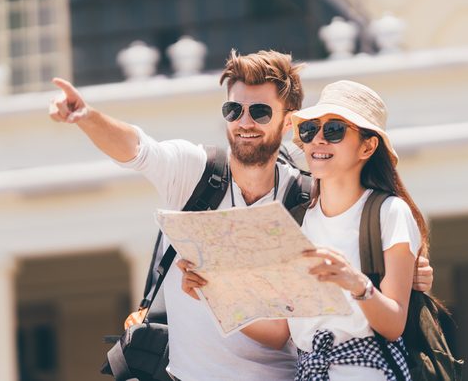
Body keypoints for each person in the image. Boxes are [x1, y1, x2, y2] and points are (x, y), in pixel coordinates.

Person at [49, 50, 433, 381]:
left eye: (260, 111)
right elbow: (136, 148)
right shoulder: (194, 172)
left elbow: (356, 254)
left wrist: (402, 272)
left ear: (287, 123)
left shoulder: (304, 199)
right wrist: (86, 116)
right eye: (234, 110)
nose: (244, 122)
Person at [182, 80, 425, 380]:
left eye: (334, 130)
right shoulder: (296, 220)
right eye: (309, 131)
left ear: (367, 146)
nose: (318, 141)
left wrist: (356, 285)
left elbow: (393, 323)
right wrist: (211, 290)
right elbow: (279, 331)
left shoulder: (389, 213)